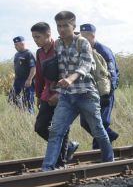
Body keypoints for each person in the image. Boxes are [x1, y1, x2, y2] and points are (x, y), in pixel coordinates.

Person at [41, 11, 114, 171]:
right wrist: (57, 88)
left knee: (98, 130)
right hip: (67, 97)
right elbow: (60, 68)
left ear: (73, 26)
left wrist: (70, 79)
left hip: (86, 94)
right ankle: (47, 169)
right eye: (59, 26)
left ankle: (109, 161)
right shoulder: (59, 44)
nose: (61, 29)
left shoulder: (83, 43)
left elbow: (86, 65)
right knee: (56, 131)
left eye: (65, 25)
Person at [30, 22, 78, 167]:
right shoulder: (39, 53)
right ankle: (69, 146)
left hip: (63, 94)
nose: (35, 40)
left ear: (48, 35)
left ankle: (60, 162)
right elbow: (39, 76)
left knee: (61, 127)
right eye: (33, 37)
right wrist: (38, 96)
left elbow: (71, 72)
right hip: (47, 95)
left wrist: (59, 93)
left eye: (37, 37)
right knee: (40, 127)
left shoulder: (60, 47)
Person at [77, 24, 120, 147]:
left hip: (104, 92)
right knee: (85, 122)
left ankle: (101, 151)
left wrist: (109, 92)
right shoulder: (83, 50)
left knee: (102, 122)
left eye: (85, 36)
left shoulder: (103, 50)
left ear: (92, 35)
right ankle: (109, 136)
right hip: (90, 92)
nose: (83, 39)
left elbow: (112, 74)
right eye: (81, 36)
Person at [11, 36, 36, 113]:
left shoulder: (29, 54)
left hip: (27, 80)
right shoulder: (16, 54)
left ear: (22, 44)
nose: (15, 47)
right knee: (12, 99)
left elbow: (33, 68)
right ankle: (21, 113)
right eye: (15, 45)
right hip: (17, 80)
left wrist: (29, 79)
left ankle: (30, 116)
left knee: (28, 101)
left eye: (17, 45)